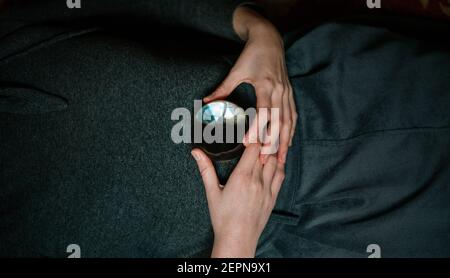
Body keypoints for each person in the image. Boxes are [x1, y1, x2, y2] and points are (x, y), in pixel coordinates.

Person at [1, 0, 450, 258]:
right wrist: (236, 243)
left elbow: (139, 5)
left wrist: (257, 31)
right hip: (317, 225)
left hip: (320, 80)